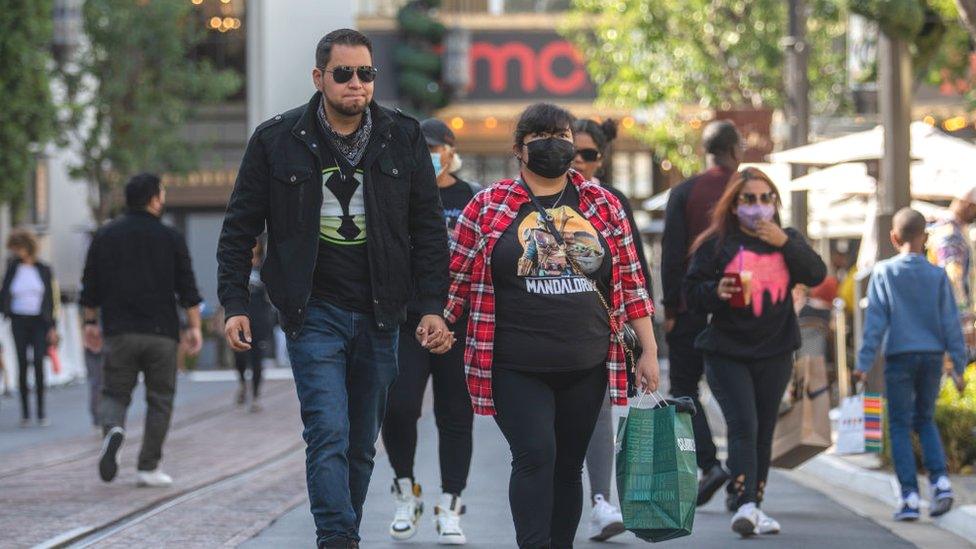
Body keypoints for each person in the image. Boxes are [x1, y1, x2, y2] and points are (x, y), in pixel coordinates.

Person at [216, 29, 452, 549]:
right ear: (319, 78)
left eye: (366, 73)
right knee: (327, 432)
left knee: (362, 444)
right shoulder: (276, 139)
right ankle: (337, 538)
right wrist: (235, 302)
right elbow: (240, 226)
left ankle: (340, 530)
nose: (356, 84)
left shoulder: (403, 136)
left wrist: (432, 306)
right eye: (343, 73)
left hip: (382, 312)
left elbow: (429, 230)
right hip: (311, 311)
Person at [443, 102, 659, 549]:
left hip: (586, 362)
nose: (555, 145)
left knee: (568, 465)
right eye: (541, 137)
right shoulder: (487, 206)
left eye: (562, 136)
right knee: (535, 455)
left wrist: (650, 351)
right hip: (514, 364)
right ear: (519, 149)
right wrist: (437, 321)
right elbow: (455, 278)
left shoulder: (604, 205)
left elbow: (633, 284)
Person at [684, 167, 826, 537]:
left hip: (775, 351)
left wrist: (784, 242)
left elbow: (816, 273)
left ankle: (753, 504)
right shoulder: (717, 244)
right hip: (726, 351)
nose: (758, 205)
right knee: (743, 424)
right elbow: (692, 294)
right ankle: (745, 503)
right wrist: (718, 291)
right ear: (734, 205)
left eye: (766, 198)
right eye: (749, 198)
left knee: (763, 429)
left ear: (775, 203)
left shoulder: (786, 240)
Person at [381, 118, 476, 545]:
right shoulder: (398, 193)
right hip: (407, 318)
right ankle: (406, 490)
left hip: (459, 322)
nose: (431, 154)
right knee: (399, 406)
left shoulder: (471, 197)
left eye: (437, 147)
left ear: (451, 150)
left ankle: (451, 503)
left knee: (455, 414)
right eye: (422, 147)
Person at [81, 173, 204, 487]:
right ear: (154, 199)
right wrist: (194, 327)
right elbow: (187, 287)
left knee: (114, 392)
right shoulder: (170, 237)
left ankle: (113, 429)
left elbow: (90, 285)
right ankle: (148, 467)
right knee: (160, 398)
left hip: (119, 331)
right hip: (162, 332)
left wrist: (90, 322)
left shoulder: (106, 235)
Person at [570, 117, 653, 541]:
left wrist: (646, 343)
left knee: (600, 415)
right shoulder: (530, 195)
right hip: (540, 335)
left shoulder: (611, 201)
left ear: (601, 158)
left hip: (600, 330)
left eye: (589, 155)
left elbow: (637, 275)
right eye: (573, 151)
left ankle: (602, 501)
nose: (579, 162)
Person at [856, 207, 968, 522]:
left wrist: (863, 363)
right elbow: (951, 323)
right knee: (926, 419)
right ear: (926, 237)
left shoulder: (884, 272)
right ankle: (941, 482)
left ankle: (908, 497)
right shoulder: (937, 275)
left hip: (900, 356)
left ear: (893, 237)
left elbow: (875, 322)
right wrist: (958, 364)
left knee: (900, 425)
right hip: (932, 356)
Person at [661, 120, 742, 507]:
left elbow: (672, 253)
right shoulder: (750, 189)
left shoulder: (684, 191)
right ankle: (743, 481)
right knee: (742, 398)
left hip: (691, 305)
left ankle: (710, 464)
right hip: (742, 307)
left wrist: (670, 307)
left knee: (683, 390)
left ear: (703, 150)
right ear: (736, 150)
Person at [0, 230, 60, 427]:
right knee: (22, 364)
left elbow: (52, 299)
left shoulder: (43, 269)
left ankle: (41, 411)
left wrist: (52, 326)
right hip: (18, 320)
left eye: (19, 248)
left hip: (39, 322)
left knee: (38, 362)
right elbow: (4, 293)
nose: (17, 253)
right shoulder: (12, 268)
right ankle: (25, 413)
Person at [927, 186, 976, 358]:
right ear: (968, 205)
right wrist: (966, 323)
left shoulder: (952, 229)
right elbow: (953, 277)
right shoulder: (950, 233)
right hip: (951, 319)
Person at [233, 241, 273, 413]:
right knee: (240, 356)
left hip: (260, 318)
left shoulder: (266, 264)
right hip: (241, 316)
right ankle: (243, 383)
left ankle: (255, 395)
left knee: (257, 358)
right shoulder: (239, 264)